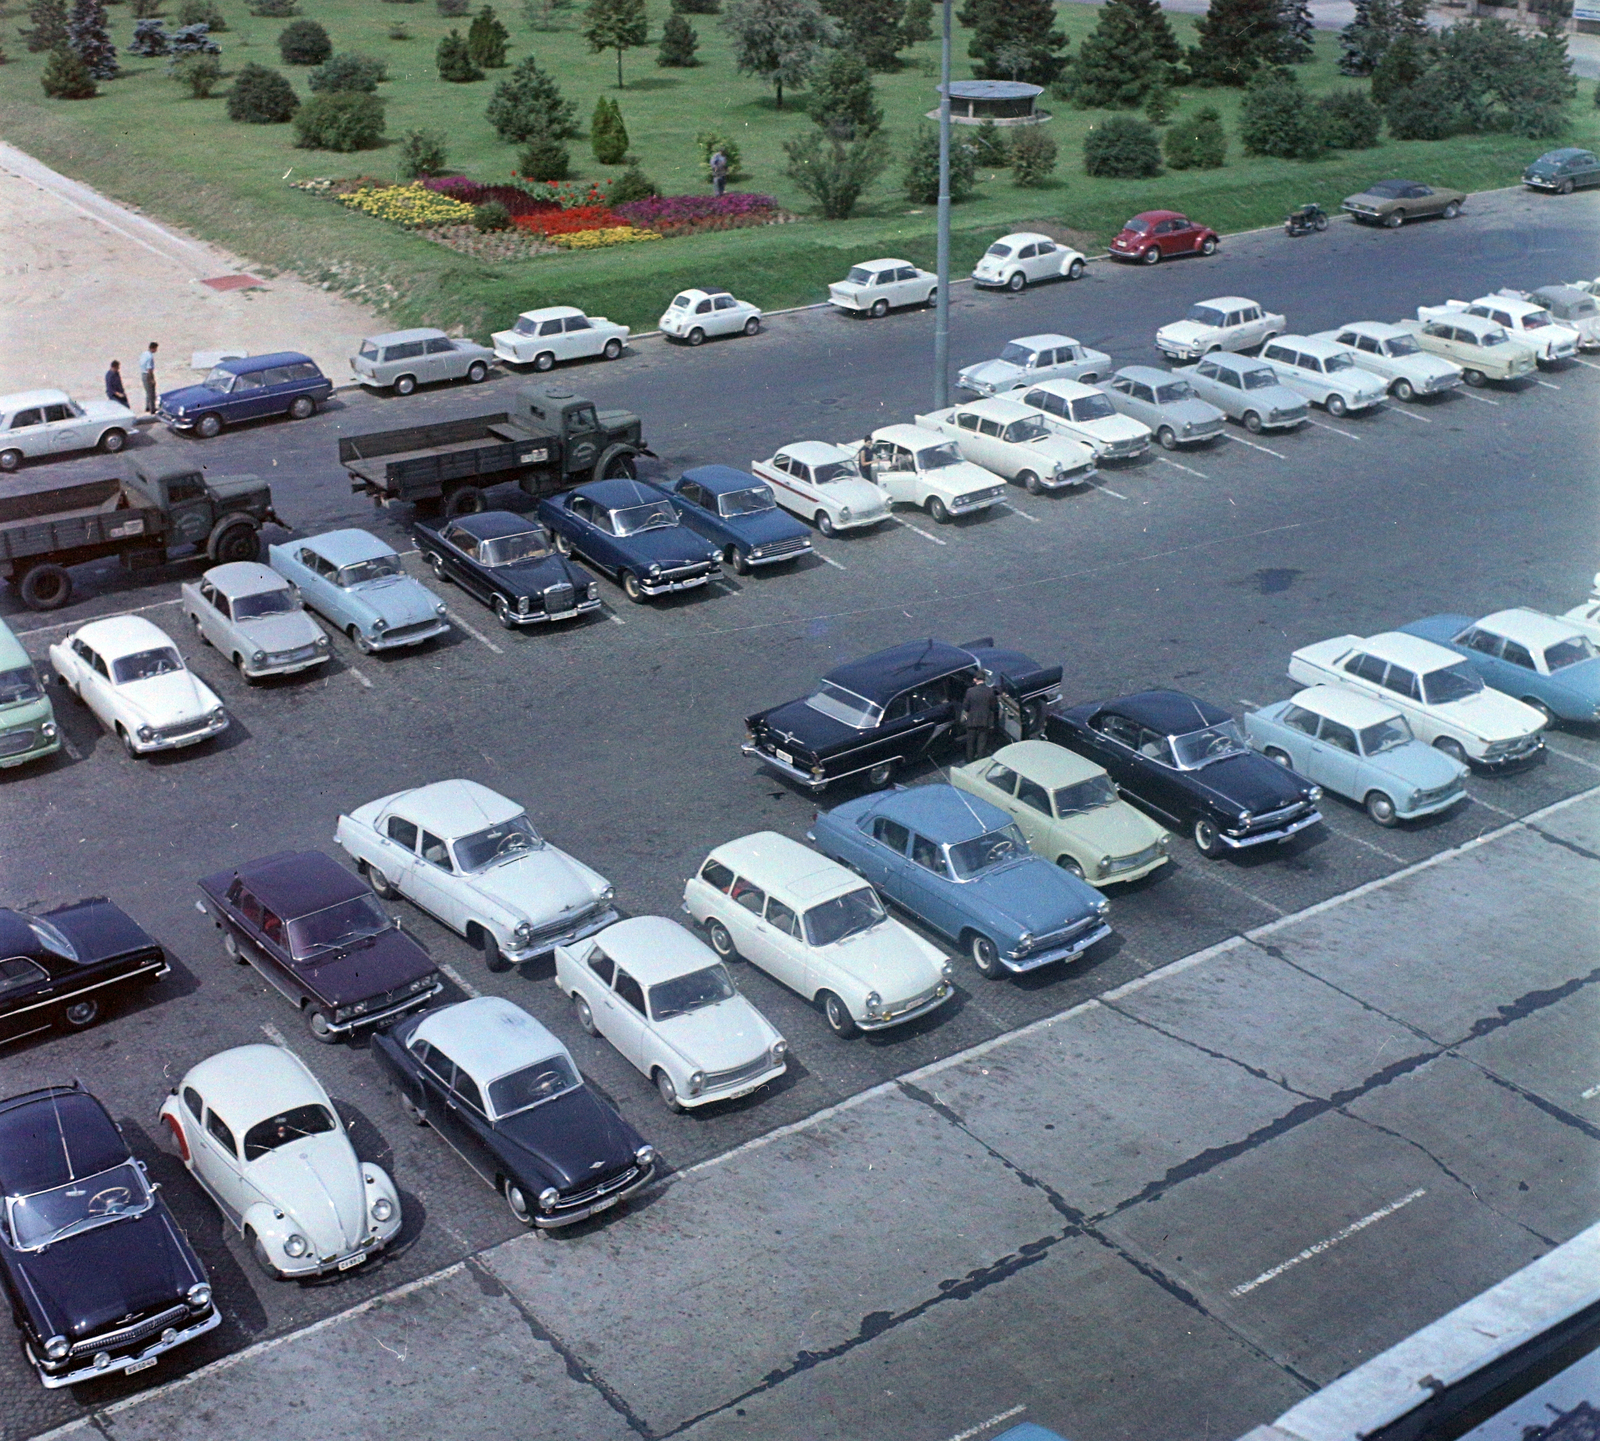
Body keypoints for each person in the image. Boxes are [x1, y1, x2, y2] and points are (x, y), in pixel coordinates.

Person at [960, 674, 996, 763]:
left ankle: (970, 762)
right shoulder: (990, 691)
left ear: (975, 679)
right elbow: (994, 707)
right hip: (985, 721)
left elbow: (966, 707)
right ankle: (980, 762)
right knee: (981, 744)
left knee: (970, 744)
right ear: (984, 679)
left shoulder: (970, 691)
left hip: (972, 721)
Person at [138, 341, 159, 415]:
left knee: (147, 391)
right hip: (148, 375)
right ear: (153, 348)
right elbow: (149, 369)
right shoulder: (150, 357)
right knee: (151, 393)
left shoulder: (144, 354)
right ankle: (152, 409)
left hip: (143, 374)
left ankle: (147, 406)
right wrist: (152, 379)